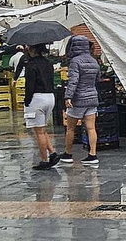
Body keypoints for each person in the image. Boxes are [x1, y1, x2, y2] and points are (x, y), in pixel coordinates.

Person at [59, 35, 100, 164]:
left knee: (71, 128)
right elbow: (98, 78)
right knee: (91, 128)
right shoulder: (94, 61)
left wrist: (68, 96)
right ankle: (92, 154)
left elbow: (73, 81)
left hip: (78, 99)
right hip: (92, 97)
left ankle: (68, 154)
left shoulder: (75, 62)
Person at [21, 44, 59, 169]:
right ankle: (52, 153)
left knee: (39, 132)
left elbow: (30, 85)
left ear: (33, 50)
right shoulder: (48, 63)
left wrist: (27, 100)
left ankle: (44, 160)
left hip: (37, 98)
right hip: (50, 97)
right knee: (41, 129)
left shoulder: (30, 65)